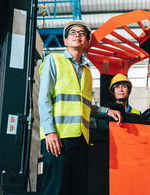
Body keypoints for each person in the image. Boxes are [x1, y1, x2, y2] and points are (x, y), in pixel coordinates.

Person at [38, 20, 122, 195]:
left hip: (81, 138)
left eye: (82, 33)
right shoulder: (54, 60)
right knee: (55, 189)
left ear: (87, 41)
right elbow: (43, 98)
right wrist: (49, 132)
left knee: (76, 189)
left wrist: (106, 111)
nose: (78, 35)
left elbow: (85, 105)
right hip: (58, 138)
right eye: (73, 33)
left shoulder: (87, 71)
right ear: (66, 40)